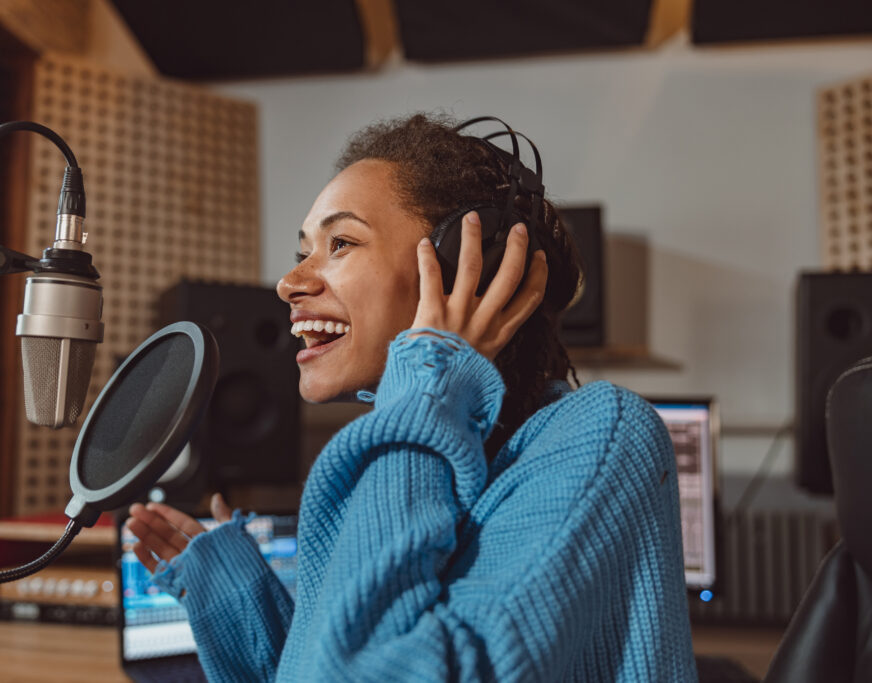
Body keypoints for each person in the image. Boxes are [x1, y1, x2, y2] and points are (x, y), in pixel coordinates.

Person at [126, 113, 697, 682]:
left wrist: (430, 374)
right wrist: (247, 606)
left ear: (459, 272)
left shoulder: (601, 435)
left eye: (340, 242)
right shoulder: (410, 456)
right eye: (304, 249)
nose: (289, 283)